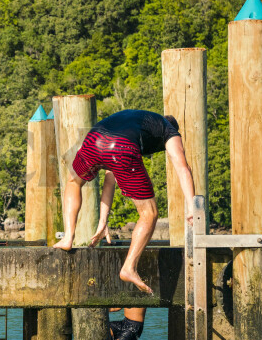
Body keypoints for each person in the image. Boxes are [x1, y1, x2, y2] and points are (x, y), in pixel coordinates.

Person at [53, 109, 195, 294]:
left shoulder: (137, 122)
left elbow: (110, 180)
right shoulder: (169, 130)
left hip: (94, 139)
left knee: (73, 182)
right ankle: (129, 267)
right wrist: (193, 206)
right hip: (121, 146)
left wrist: (103, 221)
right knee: (149, 213)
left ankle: (67, 237)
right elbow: (183, 167)